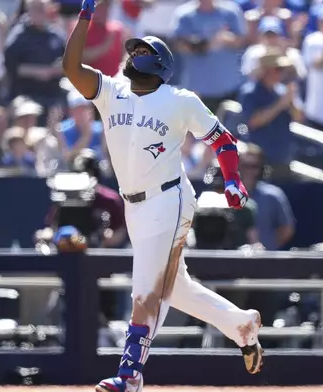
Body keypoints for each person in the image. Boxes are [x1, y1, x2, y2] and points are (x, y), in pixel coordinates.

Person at [61, 1, 264, 391]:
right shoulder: (111, 91)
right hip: (134, 204)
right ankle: (241, 324)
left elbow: (222, 139)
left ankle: (130, 375)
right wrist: (85, 15)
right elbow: (71, 68)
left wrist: (233, 180)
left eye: (143, 51)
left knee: (147, 290)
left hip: (168, 200)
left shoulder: (179, 99)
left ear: (161, 65)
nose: (134, 54)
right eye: (133, 49)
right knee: (174, 287)